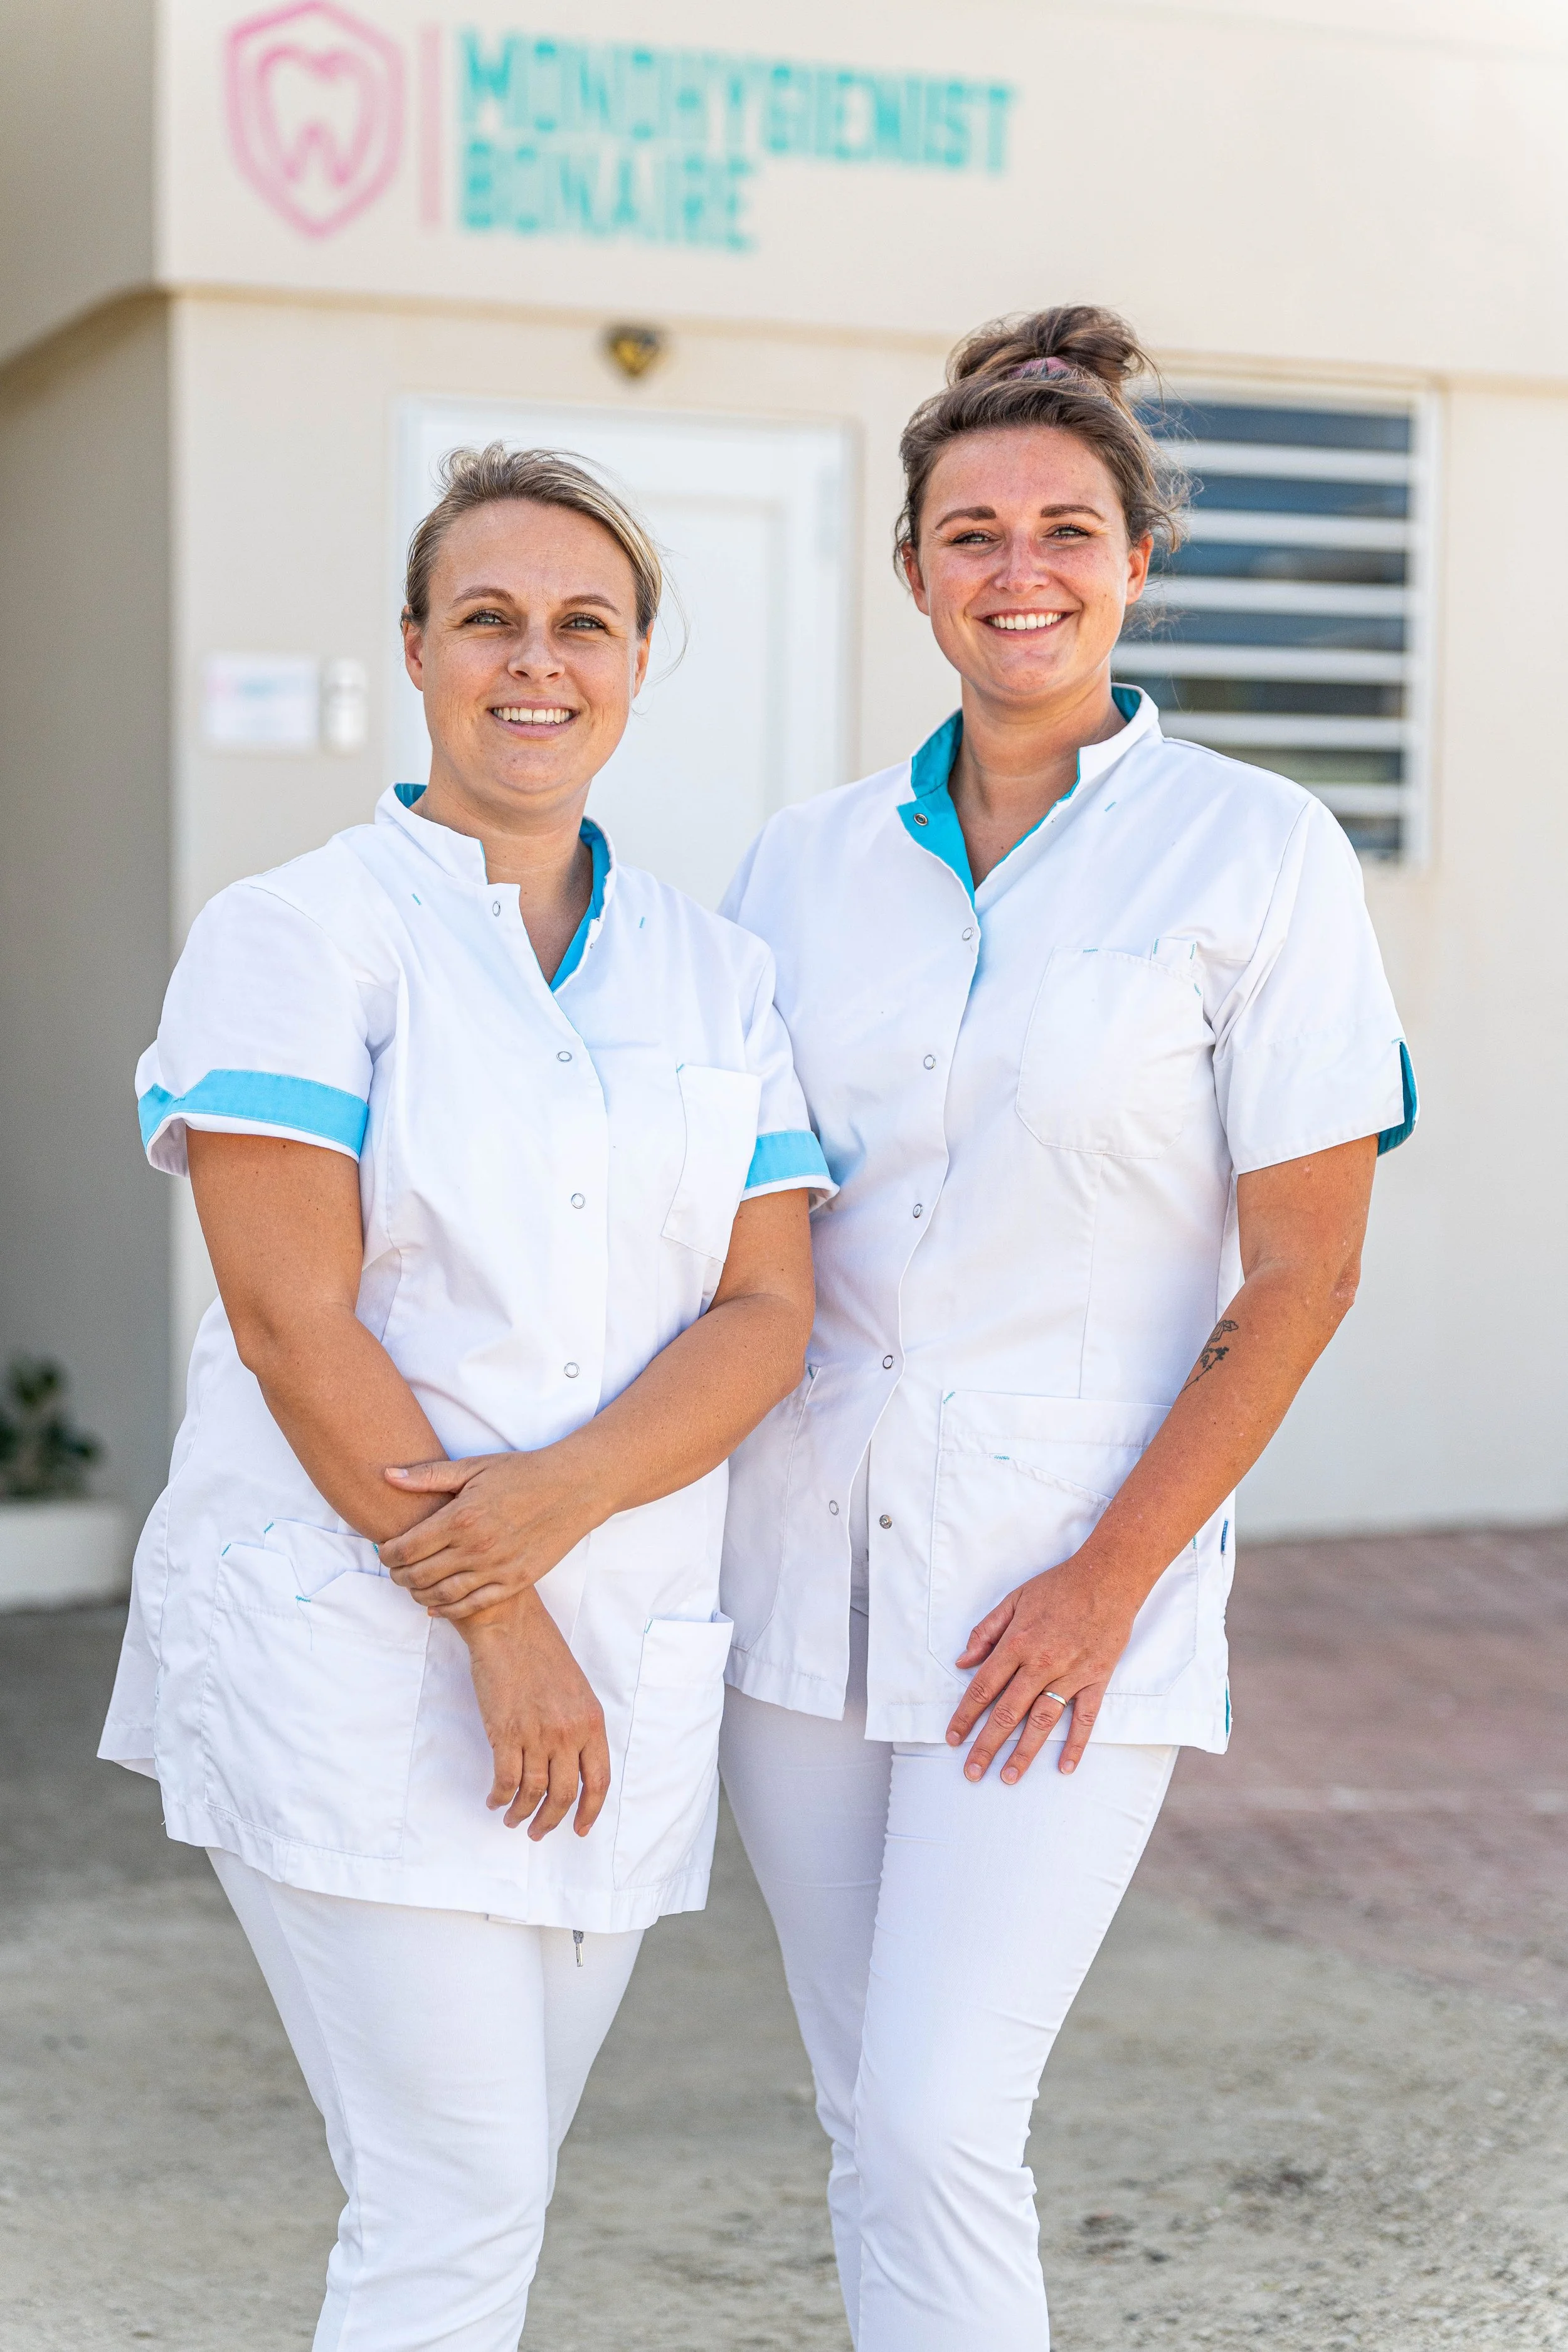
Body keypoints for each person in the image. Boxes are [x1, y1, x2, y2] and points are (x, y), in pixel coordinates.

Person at [718, 307, 1416, 2350]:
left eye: (1063, 526)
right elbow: (732, 1213)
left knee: (940, 2114)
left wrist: (1109, 1583)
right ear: (914, 567)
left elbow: (1304, 1268)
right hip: (800, 1571)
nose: (1016, 566)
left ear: (1134, 559)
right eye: (969, 530)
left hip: (1062, 1588)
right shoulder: (799, 863)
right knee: (870, 2113)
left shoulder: (1255, 847)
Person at [99, 444, 830, 2351]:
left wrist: (560, 1514)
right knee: (457, 2192)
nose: (536, 661)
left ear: (640, 660)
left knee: (456, 2184)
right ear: (415, 649)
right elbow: (291, 1319)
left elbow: (764, 1309)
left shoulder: (716, 970)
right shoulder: (301, 930)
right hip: (356, 1653)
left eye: (583, 622)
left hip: (618, 1669)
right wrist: (498, 1607)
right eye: (487, 617)